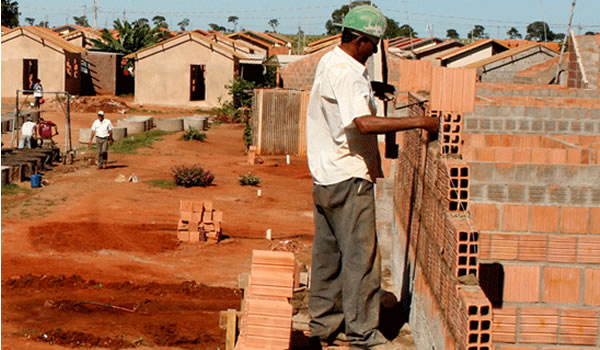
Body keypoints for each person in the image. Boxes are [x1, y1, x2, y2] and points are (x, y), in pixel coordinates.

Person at [306, 5, 439, 349]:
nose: (374, 51)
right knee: (361, 259)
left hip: (325, 176)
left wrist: (371, 89)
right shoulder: (349, 75)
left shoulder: (331, 60)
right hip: (349, 175)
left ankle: (323, 325)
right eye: (374, 45)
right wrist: (420, 123)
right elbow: (363, 123)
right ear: (362, 41)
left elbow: (340, 99)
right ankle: (363, 333)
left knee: (327, 256)